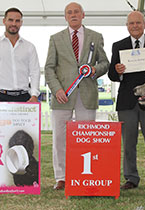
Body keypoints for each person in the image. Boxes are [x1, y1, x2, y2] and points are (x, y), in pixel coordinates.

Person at [45, 2, 109, 190]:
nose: (73, 15)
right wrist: (56, 89)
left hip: (86, 94)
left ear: (83, 15)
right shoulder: (55, 39)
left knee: (87, 138)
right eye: (69, 12)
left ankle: (84, 174)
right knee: (59, 138)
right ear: (65, 17)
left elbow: (105, 62)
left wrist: (93, 69)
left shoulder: (96, 37)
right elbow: (49, 67)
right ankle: (62, 177)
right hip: (62, 96)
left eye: (76, 12)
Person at [108, 11, 145, 191]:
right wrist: (118, 70)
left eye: (138, 23)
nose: (135, 26)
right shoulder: (118, 45)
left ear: (144, 24)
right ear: (127, 25)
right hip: (126, 102)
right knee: (128, 143)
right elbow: (111, 75)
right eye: (131, 23)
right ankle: (131, 178)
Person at [0, 7, 40, 102]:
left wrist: (34, 95)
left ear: (21, 23)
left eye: (17, 21)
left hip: (24, 98)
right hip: (1, 97)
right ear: (4, 21)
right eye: (10, 20)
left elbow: (35, 72)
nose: (14, 24)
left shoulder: (29, 47)